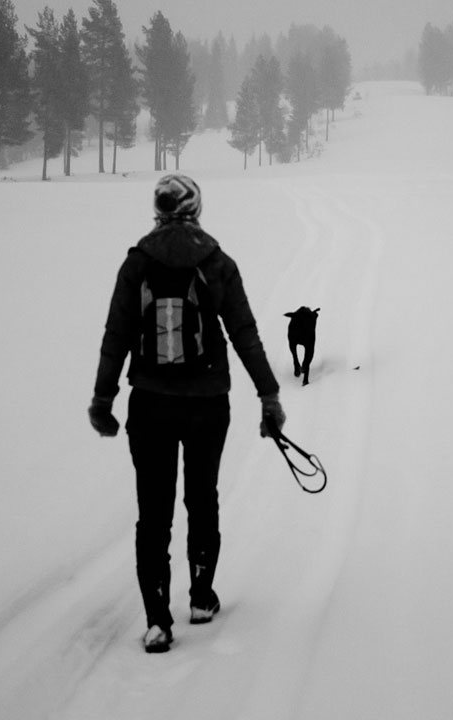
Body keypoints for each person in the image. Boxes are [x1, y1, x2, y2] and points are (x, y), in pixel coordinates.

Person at [89, 173, 286, 654]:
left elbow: (116, 335)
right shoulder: (217, 262)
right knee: (202, 497)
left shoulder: (136, 264)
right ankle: (201, 597)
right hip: (206, 404)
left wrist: (103, 398)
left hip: (150, 404)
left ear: (157, 209)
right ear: (196, 209)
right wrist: (269, 396)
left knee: (152, 512)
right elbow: (244, 333)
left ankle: (158, 620)